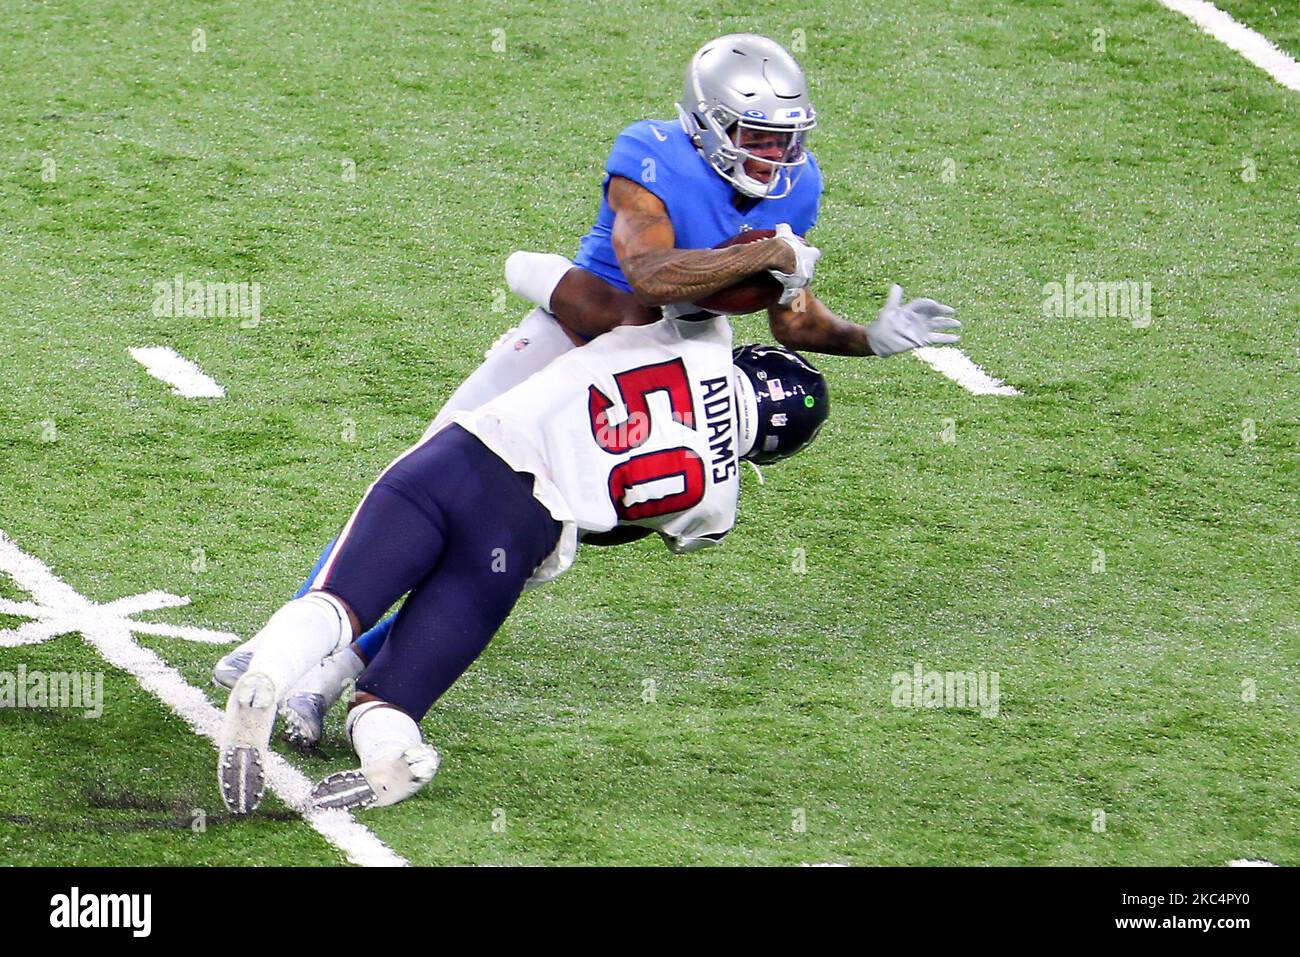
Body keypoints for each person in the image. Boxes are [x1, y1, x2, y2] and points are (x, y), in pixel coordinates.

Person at [213, 33, 960, 744]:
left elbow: (788, 316)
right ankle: (279, 644)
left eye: (784, 137)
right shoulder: (651, 152)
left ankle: (331, 676)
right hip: (574, 334)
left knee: (500, 541)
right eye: (756, 136)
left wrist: (867, 337)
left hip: (652, 372)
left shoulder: (799, 187)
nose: (775, 155)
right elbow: (650, 275)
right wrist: (762, 254)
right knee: (417, 483)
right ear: (707, 124)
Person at [217, 308, 830, 815]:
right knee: (392, 701)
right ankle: (392, 752)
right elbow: (614, 529)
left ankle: (267, 677)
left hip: (464, 460)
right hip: (523, 536)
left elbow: (657, 280)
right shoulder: (716, 509)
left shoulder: (705, 334)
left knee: (337, 604)